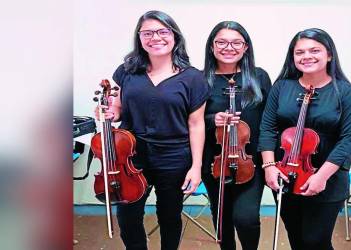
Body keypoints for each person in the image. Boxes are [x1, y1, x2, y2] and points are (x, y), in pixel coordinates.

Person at [94, 10, 209, 250]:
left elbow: (196, 124)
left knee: (169, 216)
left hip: (174, 157)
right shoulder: (126, 71)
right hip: (131, 156)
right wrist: (109, 113)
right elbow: (118, 108)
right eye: (147, 33)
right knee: (128, 216)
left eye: (162, 31)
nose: (155, 37)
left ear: (174, 36)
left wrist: (196, 167)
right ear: (140, 38)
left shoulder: (193, 78)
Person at [258, 28, 351, 250]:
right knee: (296, 238)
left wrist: (321, 177)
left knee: (316, 241)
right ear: (292, 57)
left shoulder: (346, 92)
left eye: (314, 50)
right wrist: (269, 167)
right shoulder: (282, 87)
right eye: (300, 52)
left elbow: (348, 140)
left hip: (328, 178)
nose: (307, 56)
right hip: (286, 173)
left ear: (329, 55)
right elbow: (267, 128)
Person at [201, 21, 272, 250]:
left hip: (250, 160)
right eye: (221, 41)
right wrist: (214, 120)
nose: (228, 47)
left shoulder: (259, 77)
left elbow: (270, 120)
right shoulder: (200, 79)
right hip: (214, 160)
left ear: (246, 47)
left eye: (236, 42)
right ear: (212, 46)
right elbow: (189, 120)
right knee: (221, 218)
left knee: (246, 217)